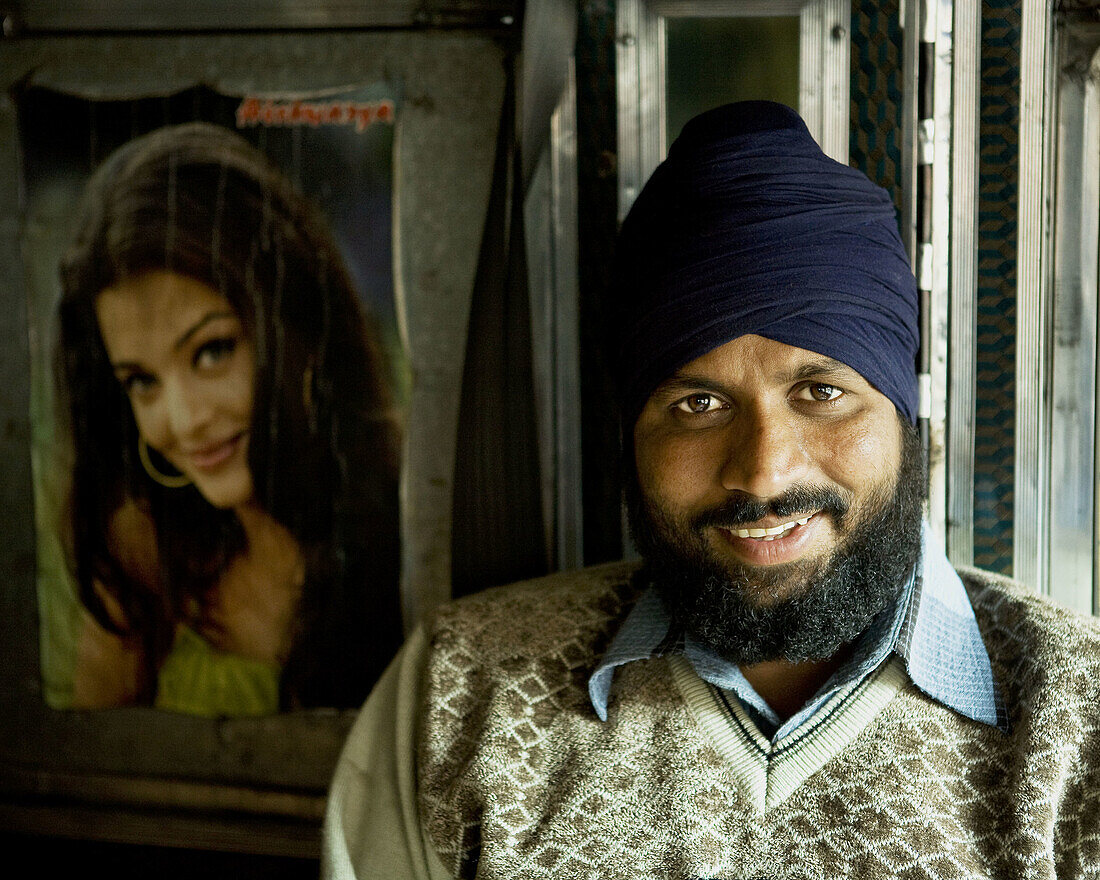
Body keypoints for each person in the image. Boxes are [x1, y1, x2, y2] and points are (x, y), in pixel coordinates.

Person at [322, 102, 1100, 877]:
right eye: (699, 405)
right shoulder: (465, 697)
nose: (763, 472)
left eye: (821, 392)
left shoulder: (1078, 727)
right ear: (630, 436)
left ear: (903, 416)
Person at [57, 121, 402, 715]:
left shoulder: (414, 505)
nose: (185, 419)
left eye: (212, 351)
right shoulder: (146, 548)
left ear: (298, 328)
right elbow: (90, 774)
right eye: (142, 381)